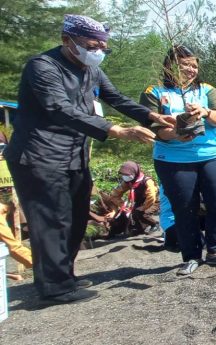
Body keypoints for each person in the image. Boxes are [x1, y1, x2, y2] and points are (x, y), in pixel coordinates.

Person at [4, 15, 173, 304]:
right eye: (91, 45)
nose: (98, 52)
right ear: (67, 40)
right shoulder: (43, 67)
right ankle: (55, 287)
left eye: (103, 48)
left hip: (73, 155)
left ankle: (62, 276)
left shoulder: (90, 69)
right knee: (51, 220)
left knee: (75, 217)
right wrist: (114, 130)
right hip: (39, 155)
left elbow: (115, 97)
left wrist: (151, 116)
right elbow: (58, 108)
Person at [140, 44, 216, 276]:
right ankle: (191, 256)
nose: (191, 70)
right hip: (173, 158)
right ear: (170, 66)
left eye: (194, 65)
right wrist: (177, 133)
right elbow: (153, 127)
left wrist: (204, 112)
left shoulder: (206, 90)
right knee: (185, 208)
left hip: (212, 154)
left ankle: (215, 251)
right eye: (185, 65)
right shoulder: (154, 92)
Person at [106, 161, 159, 236]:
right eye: (123, 174)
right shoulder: (128, 182)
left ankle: (154, 224)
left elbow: (151, 196)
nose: (125, 176)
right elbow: (115, 194)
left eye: (127, 174)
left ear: (135, 172)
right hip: (138, 201)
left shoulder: (147, 181)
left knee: (140, 213)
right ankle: (139, 228)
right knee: (129, 214)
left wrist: (143, 207)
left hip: (152, 202)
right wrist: (123, 206)